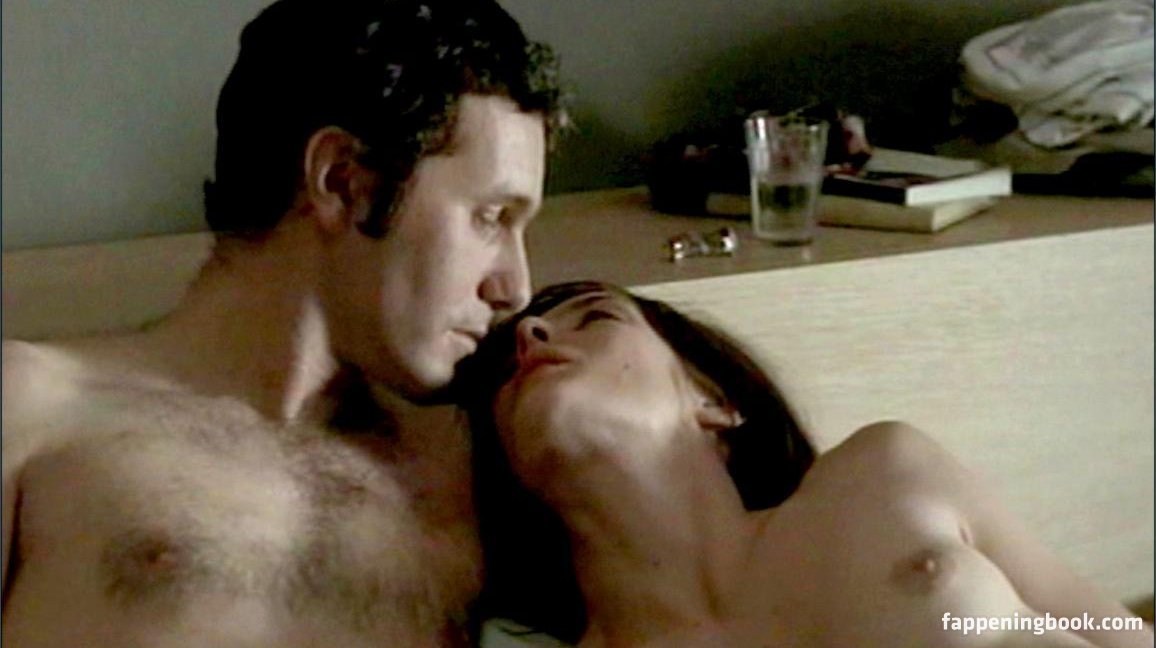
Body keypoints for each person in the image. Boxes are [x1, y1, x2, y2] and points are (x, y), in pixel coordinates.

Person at [1, 1, 567, 646]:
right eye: (491, 217)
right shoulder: (29, 406)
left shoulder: (480, 453)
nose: (514, 287)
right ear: (343, 181)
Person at [458, 281, 1153, 648]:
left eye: (596, 318)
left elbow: (1122, 631)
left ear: (714, 400)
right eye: (503, 372)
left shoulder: (880, 477)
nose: (531, 332)